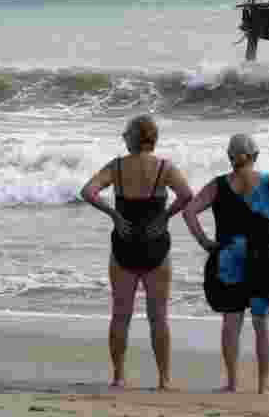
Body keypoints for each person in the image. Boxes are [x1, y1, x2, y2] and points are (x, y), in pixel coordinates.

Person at [183, 134, 269, 394]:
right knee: (262, 322)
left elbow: (189, 212)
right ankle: (263, 386)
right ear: (255, 155)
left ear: (230, 157)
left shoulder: (217, 185)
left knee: (231, 321)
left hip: (229, 257)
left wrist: (205, 242)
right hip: (265, 258)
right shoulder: (267, 181)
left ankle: (231, 383)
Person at [80, 115, 195, 390]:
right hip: (156, 245)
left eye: (125, 133)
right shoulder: (164, 167)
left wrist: (114, 216)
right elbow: (187, 195)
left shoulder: (117, 167)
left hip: (124, 244)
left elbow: (88, 191)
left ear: (133, 138)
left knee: (121, 315)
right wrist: (166, 216)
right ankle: (164, 380)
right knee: (159, 317)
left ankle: (119, 377)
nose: (122, 136)